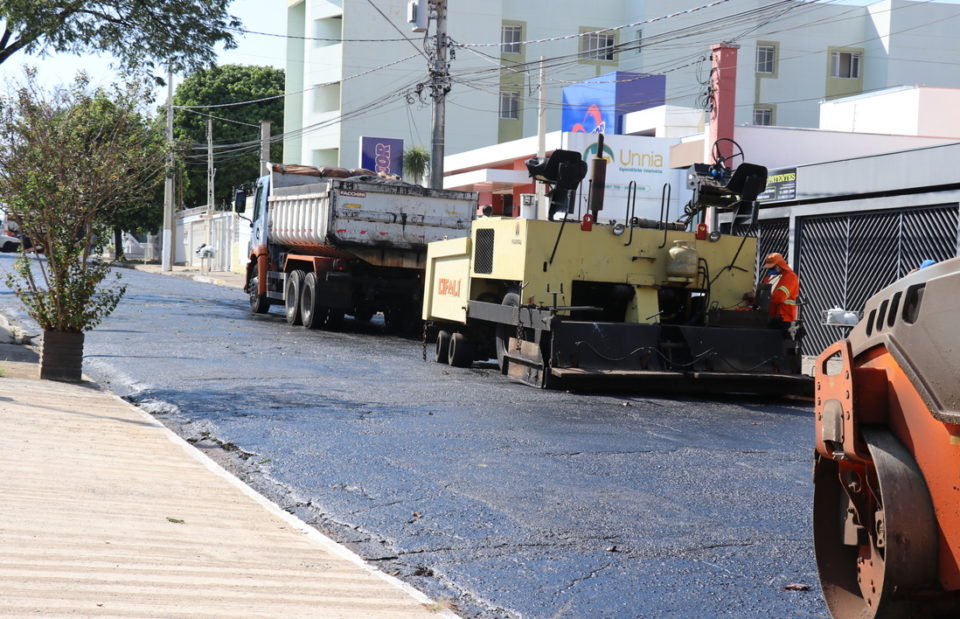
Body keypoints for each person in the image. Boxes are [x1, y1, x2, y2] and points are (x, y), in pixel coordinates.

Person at [759, 252, 799, 324]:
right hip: (772, 316)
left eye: (772, 267)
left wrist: (762, 297)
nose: (770, 270)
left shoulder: (790, 277)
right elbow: (763, 292)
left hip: (784, 317)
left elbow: (779, 297)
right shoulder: (771, 277)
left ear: (778, 265)